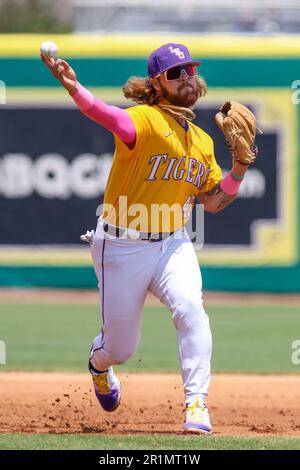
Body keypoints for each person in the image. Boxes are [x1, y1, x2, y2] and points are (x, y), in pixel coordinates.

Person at [41, 43, 257, 434]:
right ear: (157, 83)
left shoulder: (203, 142)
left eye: (190, 70)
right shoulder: (143, 120)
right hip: (121, 246)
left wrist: (239, 167)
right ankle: (99, 363)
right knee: (120, 348)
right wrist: (75, 88)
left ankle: (196, 403)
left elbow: (212, 201)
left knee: (191, 308)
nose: (187, 77)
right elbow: (102, 114)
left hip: (172, 241)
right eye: (176, 73)